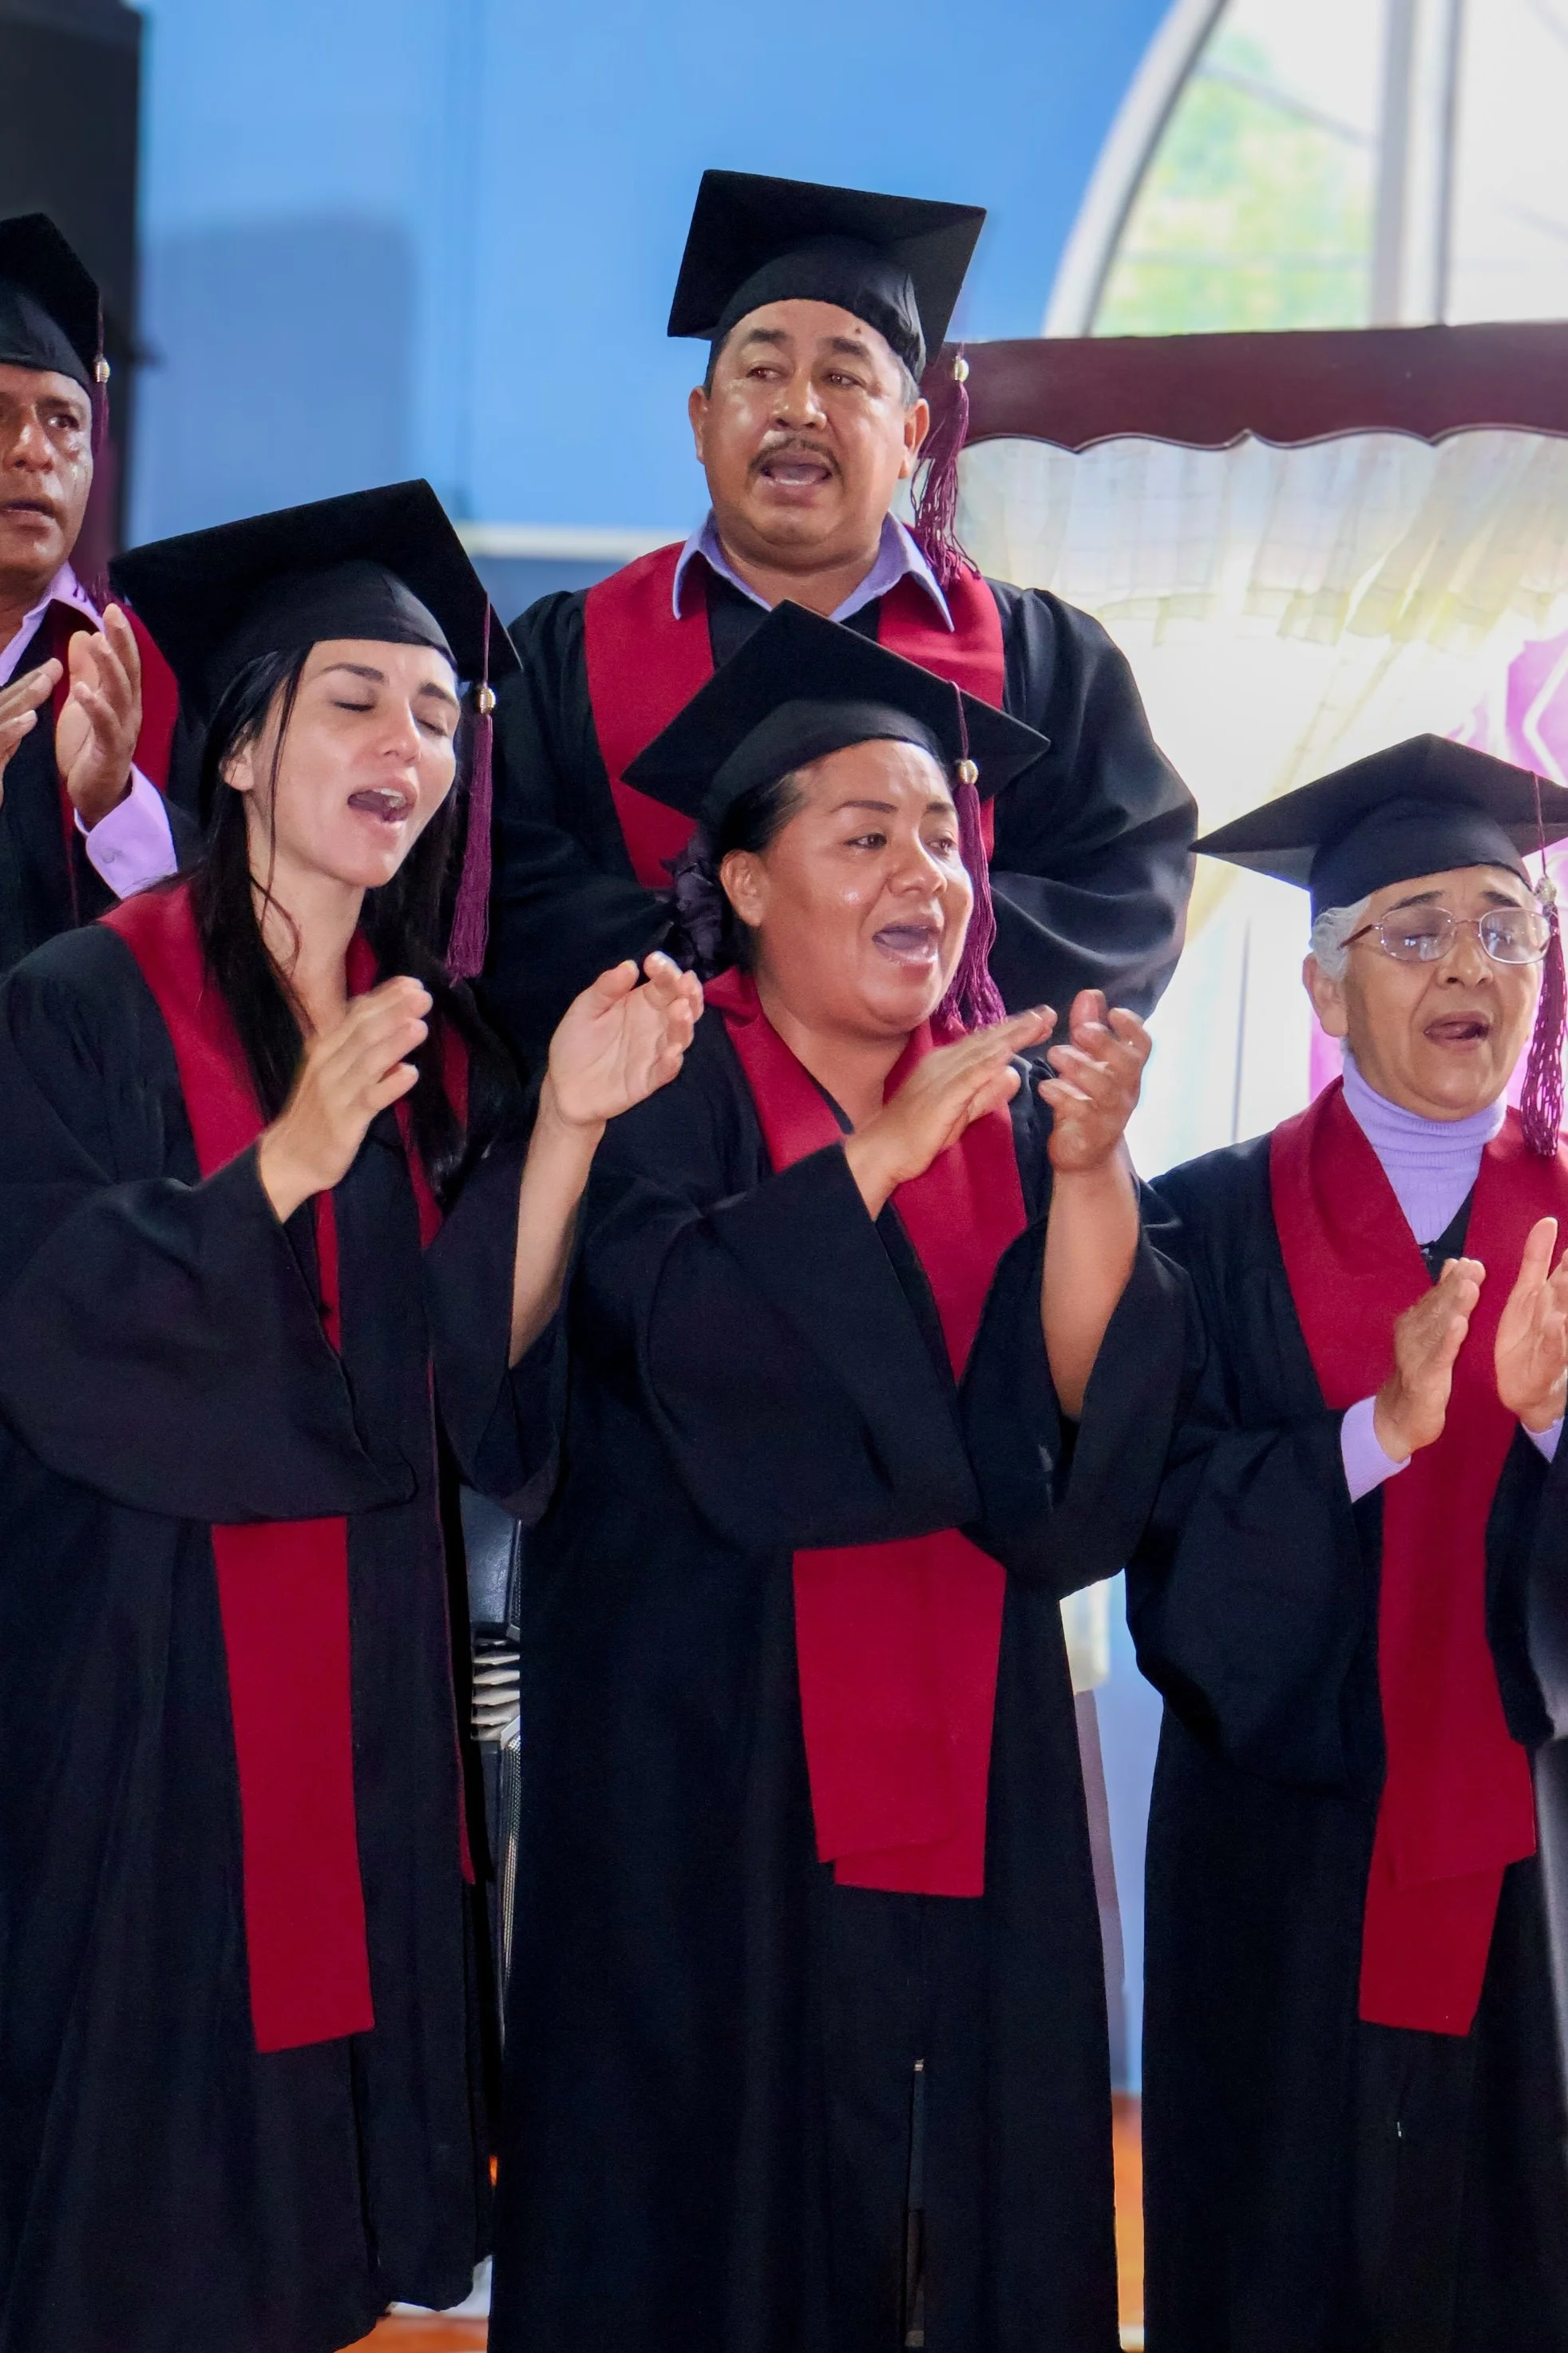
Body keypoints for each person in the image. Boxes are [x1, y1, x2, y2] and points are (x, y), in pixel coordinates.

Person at [0, 479, 701, 2353]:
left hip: (367, 1663)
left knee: (313, 2219)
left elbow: (477, 1370)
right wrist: (278, 1169)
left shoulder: (439, 1035)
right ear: (235, 747)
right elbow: (51, 1322)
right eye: (355, 701)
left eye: (437, 715)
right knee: (135, 2195)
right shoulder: (75, 1001)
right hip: (146, 1675)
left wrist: (558, 1124)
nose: (410, 743)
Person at [469, 599, 1182, 2353]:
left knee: (964, 2195)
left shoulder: (1009, 1104)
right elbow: (658, 1340)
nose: (925, 873)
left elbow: (1064, 1468)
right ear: (747, 881)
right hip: (698, 1768)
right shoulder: (660, 1068)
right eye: (864, 834)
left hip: (969, 1769)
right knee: (704, 2208)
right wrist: (869, 1161)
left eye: (944, 834)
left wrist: (1085, 1180)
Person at [1125, 735, 1568, 2352]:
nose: (1470, 963)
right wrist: (1373, 1436)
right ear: (1323, 991)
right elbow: (1156, 1540)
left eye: (1505, 924)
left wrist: (1541, 1429)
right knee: (1272, 2240)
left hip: (1530, 1848)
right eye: (1414, 927)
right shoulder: (1199, 1221)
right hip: (1280, 1846)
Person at [483, 168, 1196, 1061]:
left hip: (959, 1151)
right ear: (701, 422)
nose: (796, 407)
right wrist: (727, 993)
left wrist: (875, 953)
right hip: (650, 1151)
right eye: (761, 370)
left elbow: (1127, 893)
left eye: (843, 377)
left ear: (910, 437)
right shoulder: (558, 657)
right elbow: (505, 891)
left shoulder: (1043, 660)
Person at [0, 212, 184, 966]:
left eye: (63, 421)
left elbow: (225, 948)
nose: (32, 450)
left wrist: (112, 802)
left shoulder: (150, 668)